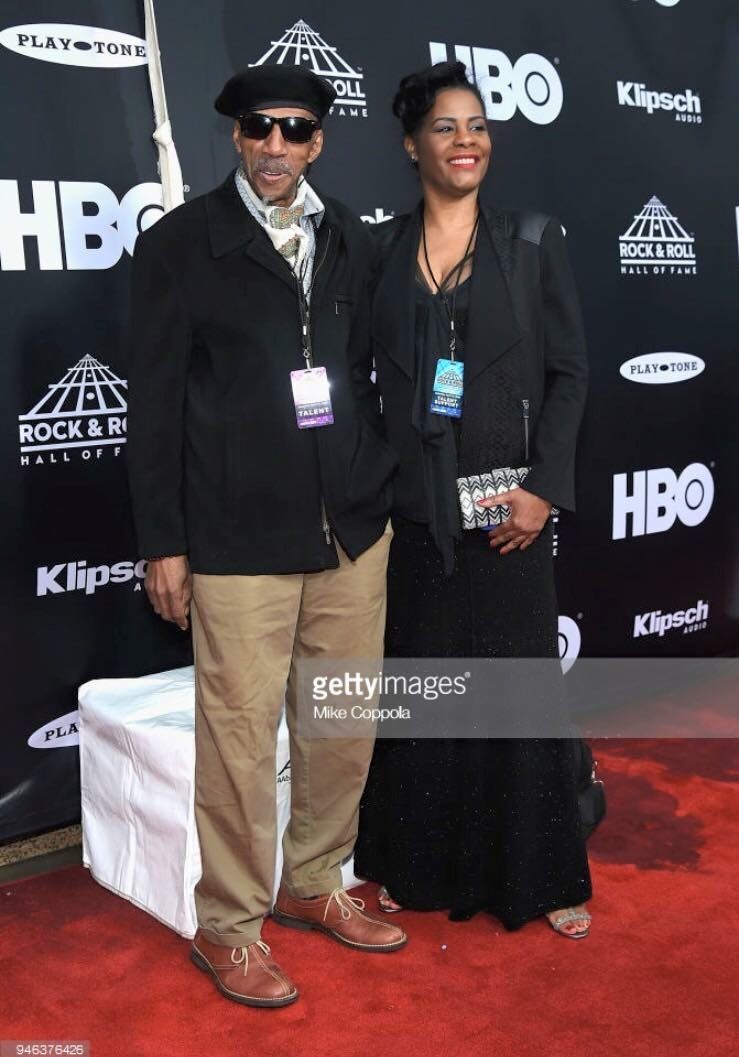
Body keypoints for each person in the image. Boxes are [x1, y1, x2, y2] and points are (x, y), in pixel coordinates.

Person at [126, 64, 406, 1010]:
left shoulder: (352, 239)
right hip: (237, 537)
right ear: (236, 137)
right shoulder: (179, 244)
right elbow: (153, 406)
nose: (275, 145)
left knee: (341, 721)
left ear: (317, 140)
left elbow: (369, 373)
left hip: (350, 529)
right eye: (258, 128)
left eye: (293, 129)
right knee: (241, 741)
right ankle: (227, 926)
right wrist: (164, 542)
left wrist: (374, 481)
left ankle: (314, 880)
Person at [353, 61, 593, 938]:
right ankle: (417, 865)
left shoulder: (529, 239)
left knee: (517, 689)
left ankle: (542, 872)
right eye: (446, 127)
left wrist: (542, 489)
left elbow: (569, 372)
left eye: (478, 125)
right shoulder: (380, 249)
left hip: (509, 510)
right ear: (410, 143)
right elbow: (355, 380)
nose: (466, 141)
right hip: (415, 514)